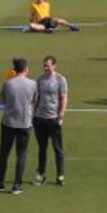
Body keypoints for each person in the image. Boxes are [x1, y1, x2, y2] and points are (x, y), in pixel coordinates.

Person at [0, 57, 37, 195]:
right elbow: (35, 101)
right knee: (21, 155)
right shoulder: (32, 83)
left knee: (3, 153)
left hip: (8, 122)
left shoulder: (8, 83)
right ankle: (17, 185)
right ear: (25, 69)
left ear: (14, 69)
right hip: (24, 123)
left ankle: (0, 183)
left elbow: (1, 100)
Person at [32, 56, 68, 187]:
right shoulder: (40, 79)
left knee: (58, 149)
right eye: (44, 65)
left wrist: (61, 116)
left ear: (54, 65)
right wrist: (33, 114)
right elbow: (37, 98)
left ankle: (60, 175)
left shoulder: (60, 79)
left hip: (53, 119)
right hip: (40, 119)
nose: (45, 68)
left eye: (47, 65)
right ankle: (41, 175)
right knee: (42, 149)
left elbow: (64, 98)